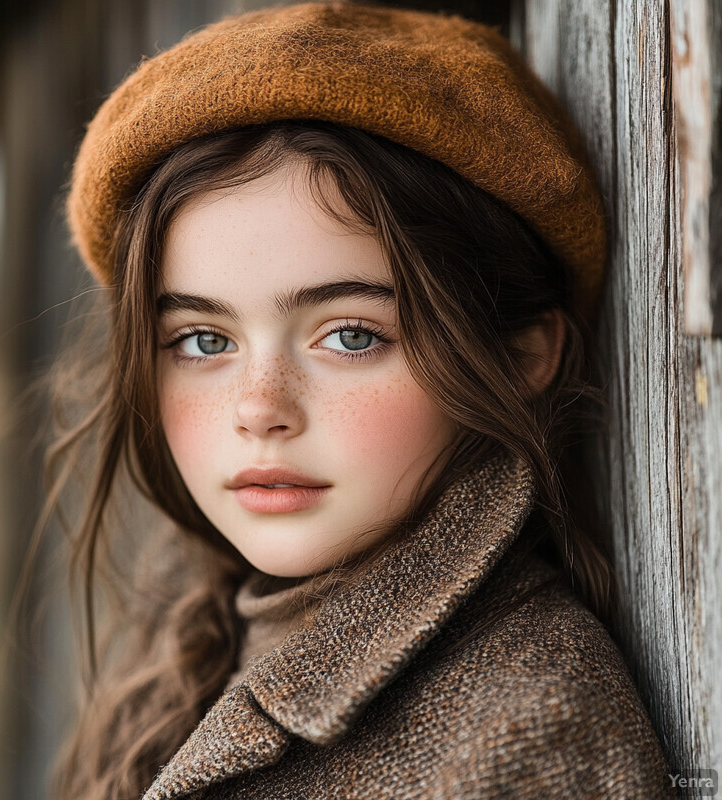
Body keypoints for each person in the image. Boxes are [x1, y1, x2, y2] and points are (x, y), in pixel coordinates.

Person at [44, 2, 677, 798]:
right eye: (204, 340)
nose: (259, 408)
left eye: (349, 336)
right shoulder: (190, 637)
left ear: (521, 354)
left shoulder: (527, 728)